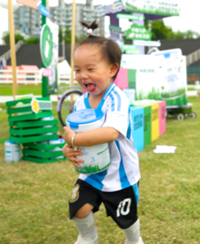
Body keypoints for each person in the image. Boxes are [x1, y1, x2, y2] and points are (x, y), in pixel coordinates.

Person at [62, 21, 143, 244]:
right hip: (91, 171)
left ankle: (134, 240)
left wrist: (74, 138)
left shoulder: (117, 99)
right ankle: (88, 238)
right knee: (78, 206)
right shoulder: (81, 103)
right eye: (77, 70)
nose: (82, 75)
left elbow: (110, 133)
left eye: (90, 69)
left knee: (125, 218)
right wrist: (67, 148)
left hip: (120, 175)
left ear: (112, 70)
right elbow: (73, 135)